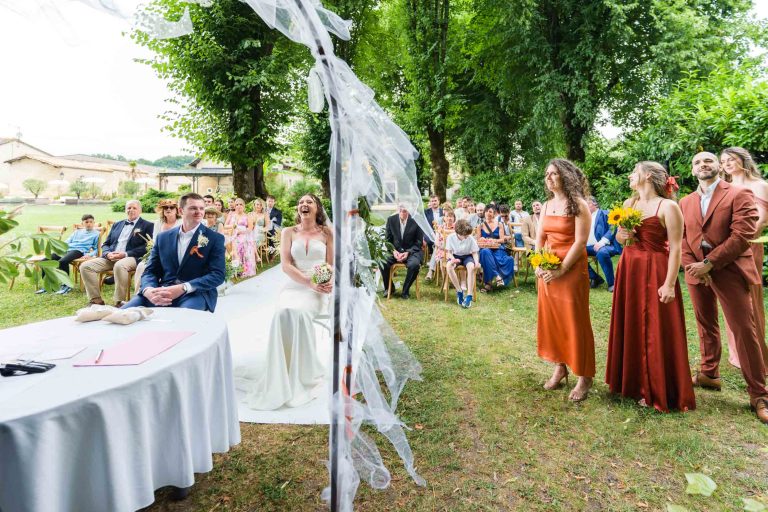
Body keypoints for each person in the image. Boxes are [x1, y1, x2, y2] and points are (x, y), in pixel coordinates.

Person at [680, 151, 768, 424]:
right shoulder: (685, 202)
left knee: (744, 329)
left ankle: (759, 394)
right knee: (705, 323)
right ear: (692, 171)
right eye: (697, 162)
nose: (703, 165)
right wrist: (693, 266)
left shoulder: (739, 193)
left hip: (729, 268)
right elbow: (682, 238)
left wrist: (710, 263)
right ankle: (709, 373)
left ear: (719, 166)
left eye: (708, 160)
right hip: (697, 271)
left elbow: (743, 235)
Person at [606, 161, 696, 412]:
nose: (630, 175)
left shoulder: (668, 207)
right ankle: (631, 383)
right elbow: (619, 238)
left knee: (655, 327)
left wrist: (669, 284)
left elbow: (676, 248)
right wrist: (622, 235)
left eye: (634, 172)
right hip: (629, 268)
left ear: (647, 176)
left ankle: (654, 388)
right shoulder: (629, 204)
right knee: (632, 321)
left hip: (655, 269)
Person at [235, 194, 332, 410]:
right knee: (284, 312)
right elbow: (286, 265)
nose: (304, 204)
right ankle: (281, 371)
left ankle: (305, 371)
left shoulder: (327, 233)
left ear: (317, 208)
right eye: (301, 202)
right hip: (295, 285)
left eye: (309, 202)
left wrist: (325, 281)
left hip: (317, 288)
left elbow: (331, 264)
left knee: (299, 312)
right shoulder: (288, 232)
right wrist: (307, 281)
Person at [536, 159, 596, 402]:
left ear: (566, 176)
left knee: (574, 322)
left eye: (554, 174)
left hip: (570, 270)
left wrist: (561, 270)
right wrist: (539, 263)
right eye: (547, 174)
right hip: (548, 269)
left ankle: (585, 376)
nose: (549, 178)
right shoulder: (547, 205)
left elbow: (580, 242)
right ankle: (560, 367)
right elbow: (540, 237)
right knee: (553, 321)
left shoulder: (579, 205)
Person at [123, 193, 226, 312]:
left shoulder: (215, 239)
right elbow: (150, 271)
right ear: (181, 211)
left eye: (201, 208)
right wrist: (148, 290)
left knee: (180, 318)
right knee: (122, 314)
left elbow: (218, 275)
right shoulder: (163, 237)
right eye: (193, 208)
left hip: (195, 293)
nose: (199, 212)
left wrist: (184, 287)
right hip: (162, 291)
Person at [720, 147, 768, 371]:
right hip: (724, 248)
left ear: (743, 160)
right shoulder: (724, 187)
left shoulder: (760, 185)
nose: (727, 164)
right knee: (730, 297)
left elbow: (762, 220)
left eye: (731, 159)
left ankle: (757, 352)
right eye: (723, 161)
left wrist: (738, 241)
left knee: (749, 297)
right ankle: (737, 352)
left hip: (748, 246)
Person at [80, 200, 154, 307]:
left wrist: (125, 254)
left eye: (134, 208)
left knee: (119, 266)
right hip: (111, 257)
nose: (131, 210)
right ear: (125, 210)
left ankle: (119, 302)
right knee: (85, 266)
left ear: (140, 210)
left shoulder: (148, 225)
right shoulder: (117, 224)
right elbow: (106, 243)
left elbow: (147, 247)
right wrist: (107, 254)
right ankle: (96, 300)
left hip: (132, 257)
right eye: (129, 208)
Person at [37, 214, 100, 295]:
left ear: (94, 223)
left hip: (78, 250)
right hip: (66, 249)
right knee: (44, 261)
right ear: (82, 223)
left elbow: (96, 248)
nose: (89, 224)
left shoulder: (96, 234)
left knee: (62, 261)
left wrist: (90, 255)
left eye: (91, 222)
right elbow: (67, 241)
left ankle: (66, 285)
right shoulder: (77, 232)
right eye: (86, 222)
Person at [133, 198, 182, 293]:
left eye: (171, 207)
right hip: (158, 253)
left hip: (175, 256)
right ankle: (139, 294)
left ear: (177, 210)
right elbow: (155, 240)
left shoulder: (181, 222)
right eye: (165, 207)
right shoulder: (159, 222)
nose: (168, 209)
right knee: (141, 266)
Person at [380, 204, 424, 299]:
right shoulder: (391, 220)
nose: (402, 213)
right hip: (395, 251)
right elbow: (387, 240)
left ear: (408, 211)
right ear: (398, 210)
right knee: (382, 262)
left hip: (412, 252)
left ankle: (405, 290)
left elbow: (419, 242)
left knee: (414, 265)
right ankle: (389, 288)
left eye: (405, 211)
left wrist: (407, 252)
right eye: (400, 211)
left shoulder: (416, 220)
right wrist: (393, 251)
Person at [586, 196, 622, 291]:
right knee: (576, 253)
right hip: (588, 247)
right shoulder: (584, 218)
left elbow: (613, 228)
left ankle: (612, 283)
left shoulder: (605, 213)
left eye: (587, 204)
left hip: (606, 246)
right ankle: (595, 278)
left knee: (602, 252)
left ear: (594, 204)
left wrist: (602, 242)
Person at [476, 205, 515, 292]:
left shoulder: (499, 224)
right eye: (486, 211)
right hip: (485, 248)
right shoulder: (480, 226)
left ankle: (488, 284)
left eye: (490, 211)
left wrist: (494, 240)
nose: (488, 213)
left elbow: (502, 240)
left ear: (494, 213)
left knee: (489, 256)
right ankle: (497, 276)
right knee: (485, 252)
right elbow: (478, 241)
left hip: (498, 248)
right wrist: (482, 239)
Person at [445, 219, 480, 308]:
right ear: (458, 233)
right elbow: (448, 252)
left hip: (467, 256)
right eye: (465, 235)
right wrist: (453, 259)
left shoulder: (470, 238)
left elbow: (474, 252)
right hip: (455, 256)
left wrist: (476, 262)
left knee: (471, 267)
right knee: (449, 266)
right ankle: (459, 291)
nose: (467, 236)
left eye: (468, 234)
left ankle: (469, 295)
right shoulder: (451, 237)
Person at [226, 198, 256, 277]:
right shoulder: (231, 215)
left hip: (244, 235)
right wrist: (233, 227)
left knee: (241, 242)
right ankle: (235, 268)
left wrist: (241, 231)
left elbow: (250, 228)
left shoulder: (247, 216)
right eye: (237, 205)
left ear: (244, 206)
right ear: (235, 206)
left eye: (240, 204)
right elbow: (225, 225)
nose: (238, 206)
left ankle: (244, 268)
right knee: (231, 242)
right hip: (233, 235)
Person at [424, 209, 456, 281]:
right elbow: (436, 242)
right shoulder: (441, 227)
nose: (449, 218)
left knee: (439, 251)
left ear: (454, 218)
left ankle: (451, 278)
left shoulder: (457, 228)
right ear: (444, 218)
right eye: (447, 216)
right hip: (442, 248)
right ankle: (444, 279)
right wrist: (442, 246)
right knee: (438, 252)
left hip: (454, 250)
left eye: (451, 216)